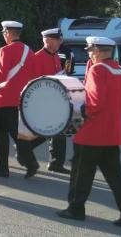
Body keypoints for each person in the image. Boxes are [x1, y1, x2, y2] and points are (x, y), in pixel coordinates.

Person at [57, 36, 121, 227]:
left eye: (91, 50)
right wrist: (112, 116)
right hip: (112, 133)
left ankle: (75, 209)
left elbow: (94, 103)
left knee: (80, 173)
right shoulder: (119, 70)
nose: (89, 54)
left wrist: (81, 113)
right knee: (115, 176)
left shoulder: (97, 70)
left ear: (100, 50)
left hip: (91, 134)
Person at [0, 20, 37, 178]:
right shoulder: (29, 51)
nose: (4, 35)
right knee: (16, 132)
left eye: (5, 33)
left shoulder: (5, 50)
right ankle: (30, 162)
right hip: (21, 98)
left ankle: (3, 168)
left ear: (10, 34)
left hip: (4, 99)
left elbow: (1, 75)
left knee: (2, 134)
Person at [25, 28, 71, 174]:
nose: (60, 43)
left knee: (56, 131)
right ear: (48, 41)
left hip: (55, 100)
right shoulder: (37, 57)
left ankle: (55, 163)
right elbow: (34, 81)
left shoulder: (56, 56)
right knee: (52, 131)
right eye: (58, 40)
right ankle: (24, 147)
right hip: (43, 101)